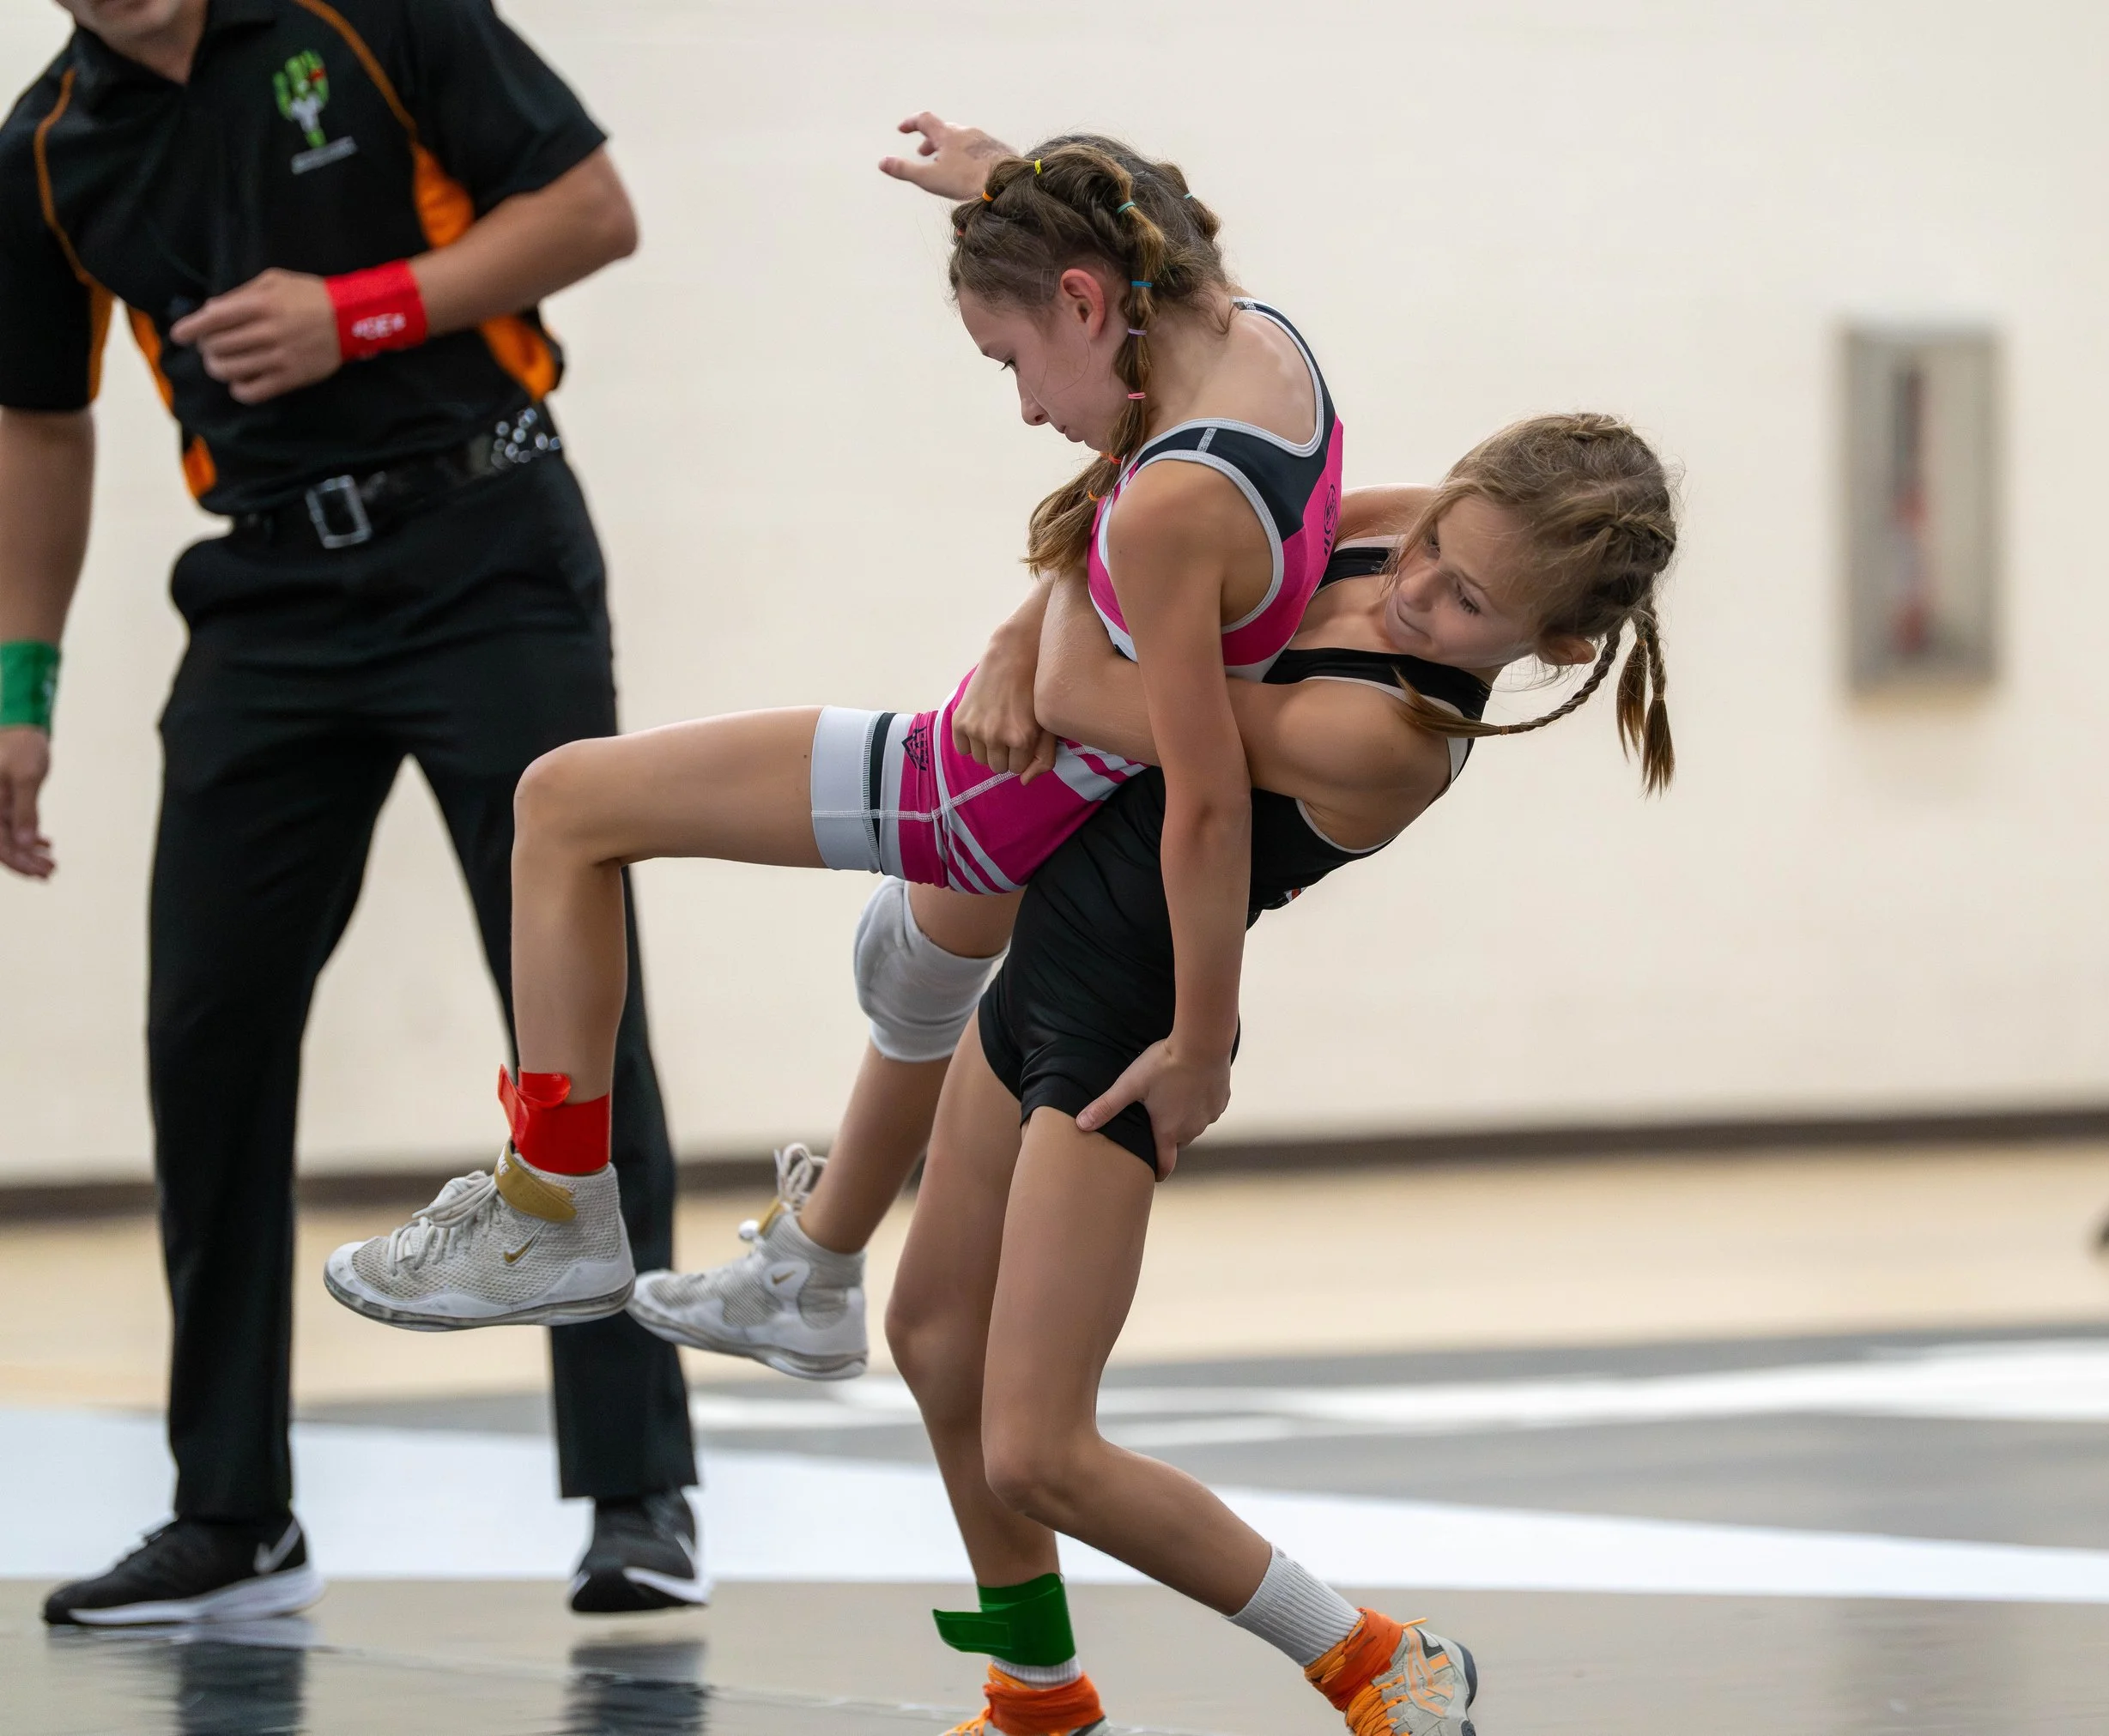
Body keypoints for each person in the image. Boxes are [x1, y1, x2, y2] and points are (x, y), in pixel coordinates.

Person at [320, 129, 1347, 1340]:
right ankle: (813, 1269)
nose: (1023, 406)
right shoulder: (1259, 345)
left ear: (1083, 301)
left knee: (559, 805)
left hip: (975, 788)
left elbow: (1209, 798)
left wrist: (1201, 1041)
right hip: (1049, 782)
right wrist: (1003, 184)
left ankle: (552, 1205)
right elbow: (1127, 254)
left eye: (1009, 359)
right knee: (912, 974)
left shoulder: (1176, 499)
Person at [0, 0, 698, 1624]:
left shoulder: (372, 16)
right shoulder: (44, 149)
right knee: (206, 1030)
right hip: (263, 598)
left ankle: (635, 1492)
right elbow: (42, 420)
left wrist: (361, 313)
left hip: (487, 542)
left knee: (570, 1013)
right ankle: (233, 1512)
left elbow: (593, 208)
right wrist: (19, 698)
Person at [894, 414, 1680, 1736]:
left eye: (1469, 598)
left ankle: (1373, 1655)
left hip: (1123, 1027)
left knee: (1039, 1447)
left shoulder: (1397, 740)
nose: (1416, 586)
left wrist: (1204, 1042)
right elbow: (1136, 550)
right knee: (928, 1335)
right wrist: (1031, 614)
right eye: (1435, 544)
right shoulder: (1394, 519)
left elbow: (1106, 689)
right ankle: (1037, 1694)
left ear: (1559, 648)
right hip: (1046, 965)